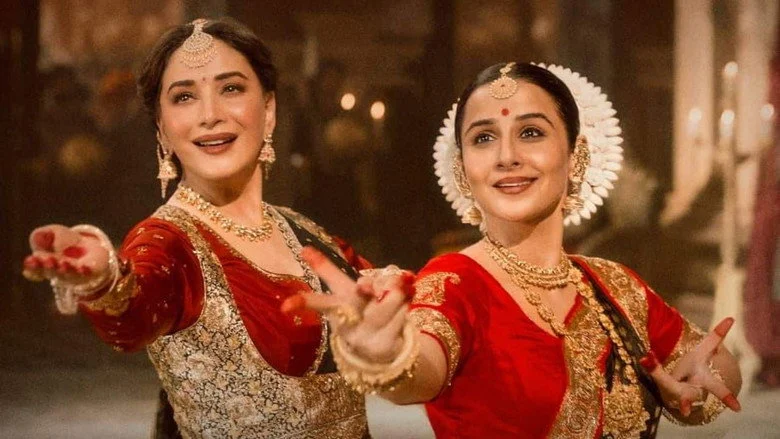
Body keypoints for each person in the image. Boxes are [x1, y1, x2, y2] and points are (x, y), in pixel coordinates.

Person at [287, 62, 743, 438]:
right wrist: (383, 356)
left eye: (531, 132)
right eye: (484, 138)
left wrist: (697, 387)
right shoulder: (454, 282)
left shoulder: (614, 285)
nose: (507, 156)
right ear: (463, 170)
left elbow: (715, 365)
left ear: (576, 156)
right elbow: (419, 369)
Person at [22, 18, 371, 438]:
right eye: (184, 97)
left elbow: (401, 305)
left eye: (231, 89)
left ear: (269, 111)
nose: (210, 115)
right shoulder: (167, 241)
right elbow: (135, 307)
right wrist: (105, 282)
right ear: (161, 128)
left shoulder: (307, 233)